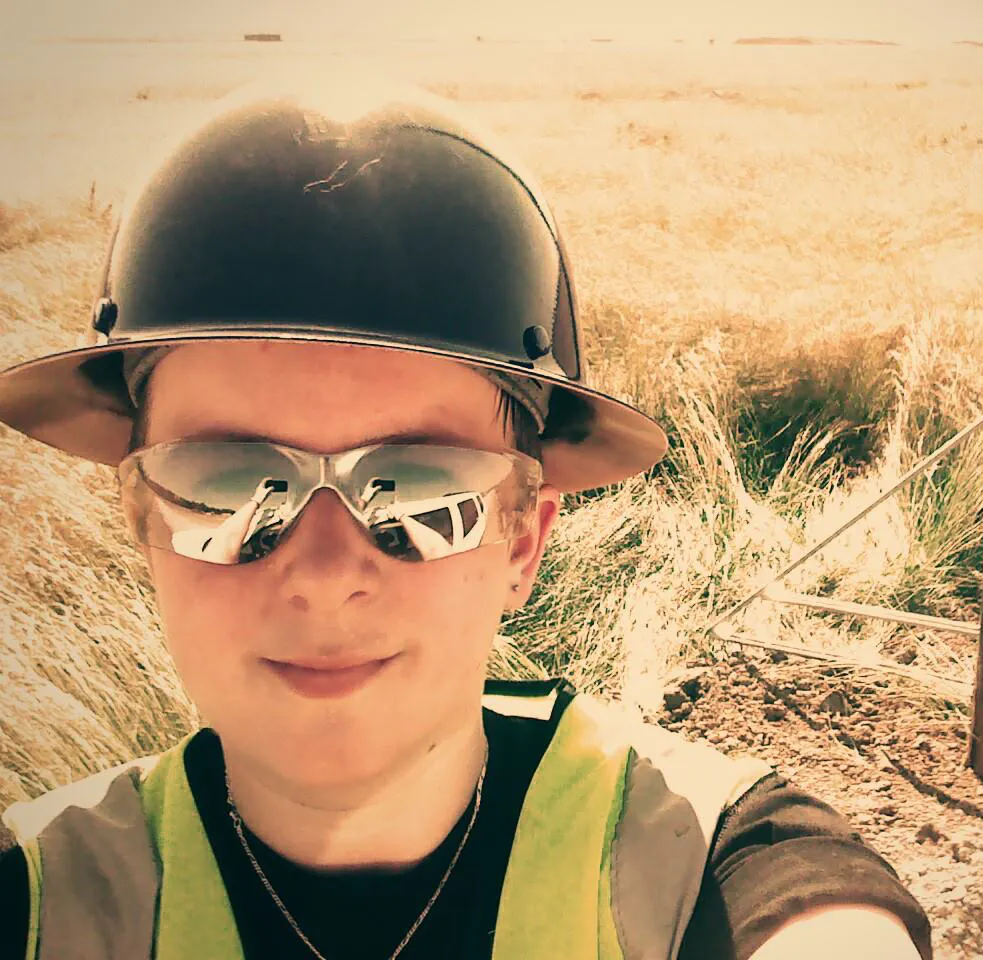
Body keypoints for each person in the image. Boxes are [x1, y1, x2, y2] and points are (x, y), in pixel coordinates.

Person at [0, 74, 932, 959]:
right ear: (142, 518)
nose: (327, 575)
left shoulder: (700, 859)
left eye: (416, 488)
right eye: (229, 485)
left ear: (523, 537)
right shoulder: (38, 896)